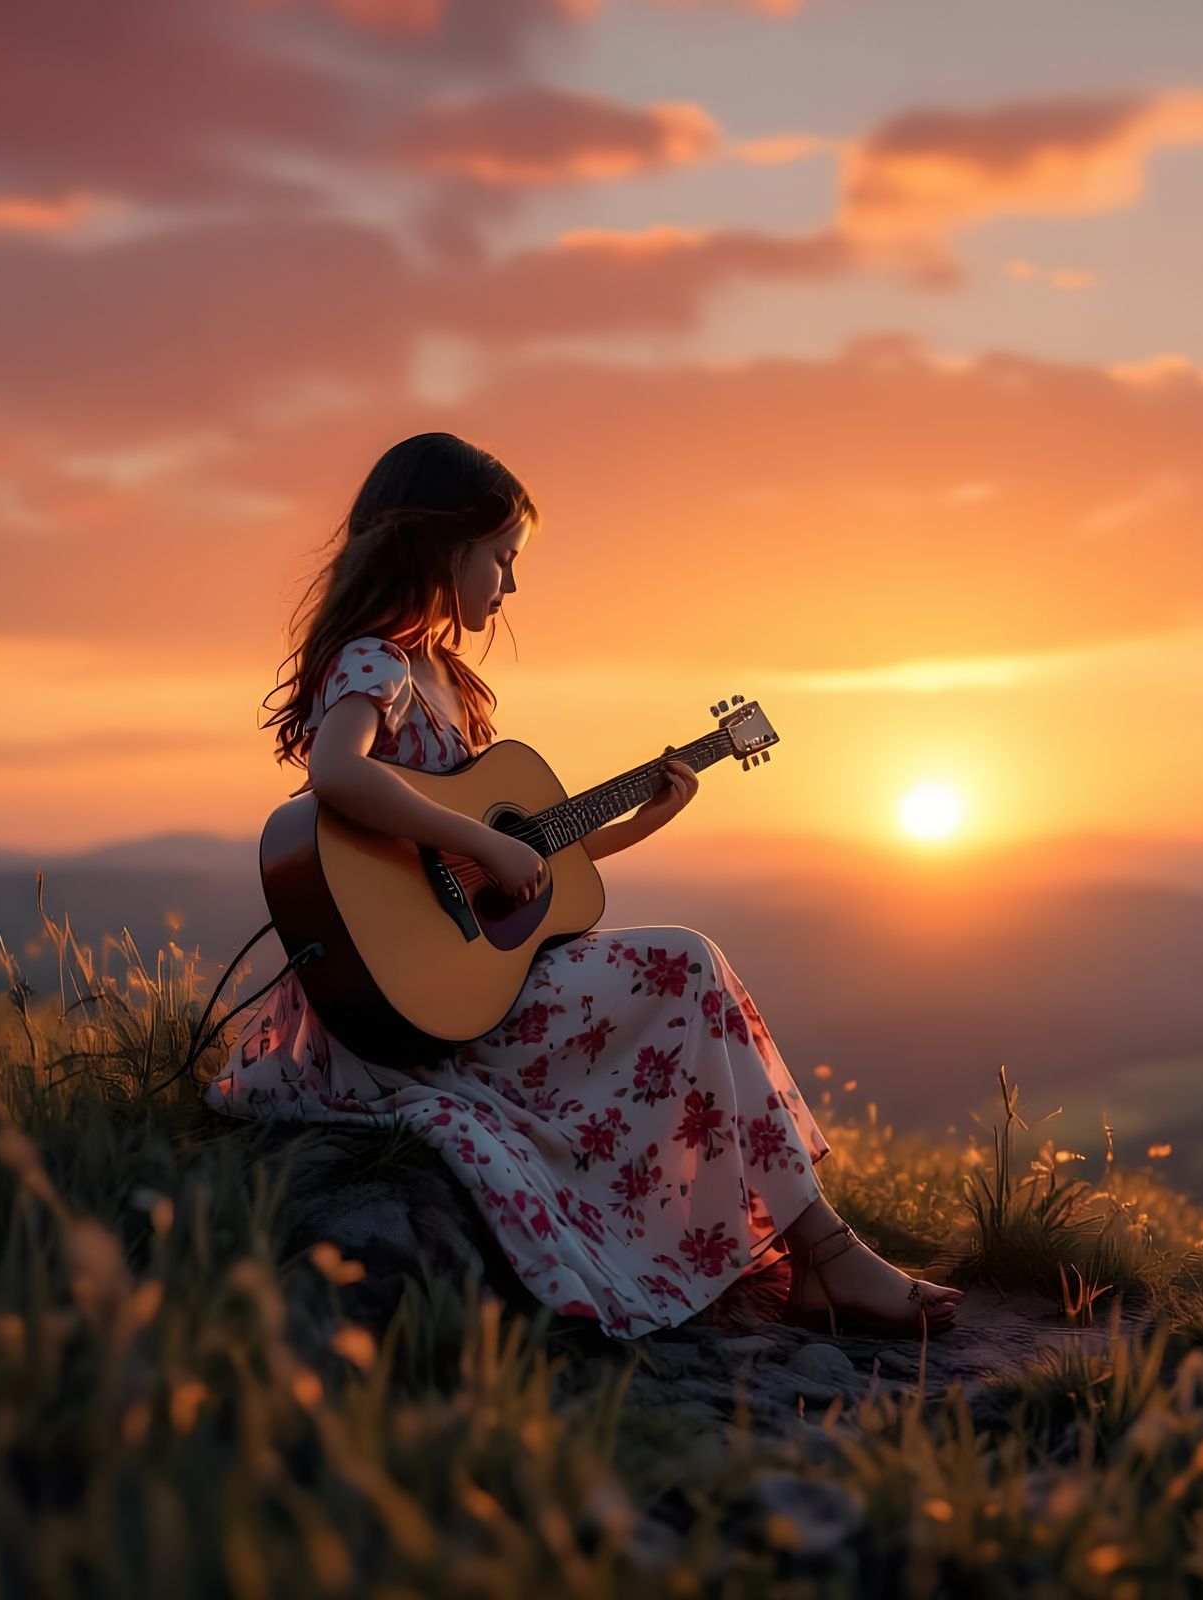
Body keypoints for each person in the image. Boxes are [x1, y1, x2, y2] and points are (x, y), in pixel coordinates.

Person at [206, 432, 962, 1341]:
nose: (511, 586)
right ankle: (823, 1257)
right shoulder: (380, 663)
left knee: (685, 970)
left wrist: (637, 826)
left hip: (460, 984)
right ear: (445, 546)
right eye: (502, 559)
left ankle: (820, 1253)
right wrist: (457, 828)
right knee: (686, 964)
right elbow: (338, 774)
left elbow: (511, 887)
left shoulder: (452, 679)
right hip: (394, 1005)